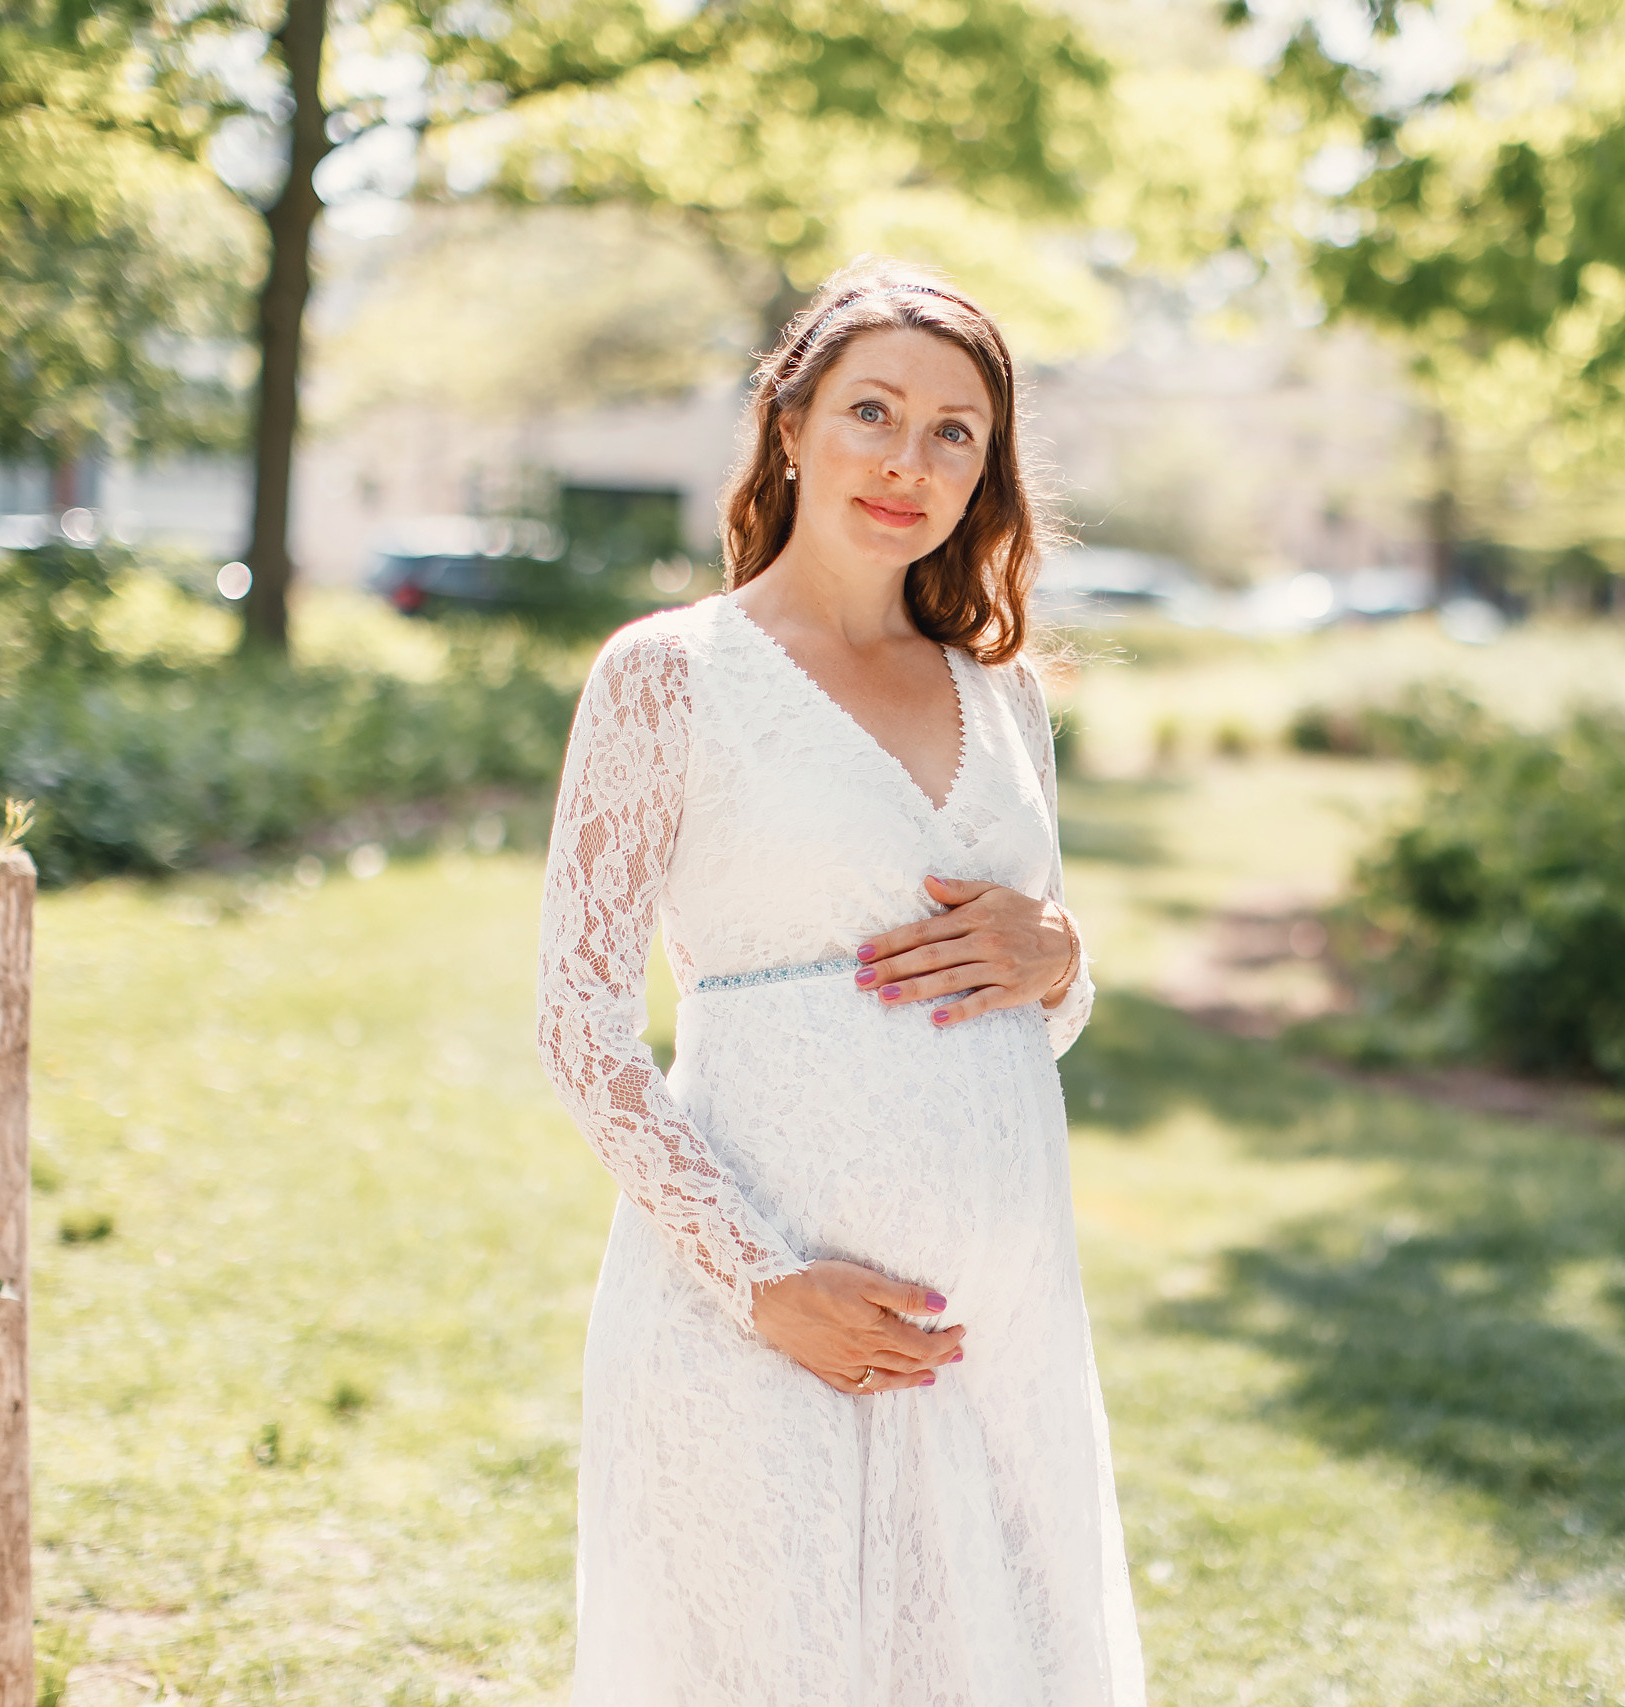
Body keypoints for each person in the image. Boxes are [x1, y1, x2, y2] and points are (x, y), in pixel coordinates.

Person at [536, 259, 1146, 1706]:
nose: (907, 459)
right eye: (872, 410)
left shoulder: (1001, 693)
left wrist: (1064, 957)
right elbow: (580, 1032)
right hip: (765, 1316)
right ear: (792, 423)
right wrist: (761, 1283)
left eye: (955, 433)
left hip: (999, 1341)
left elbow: (1029, 1007)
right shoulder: (670, 675)